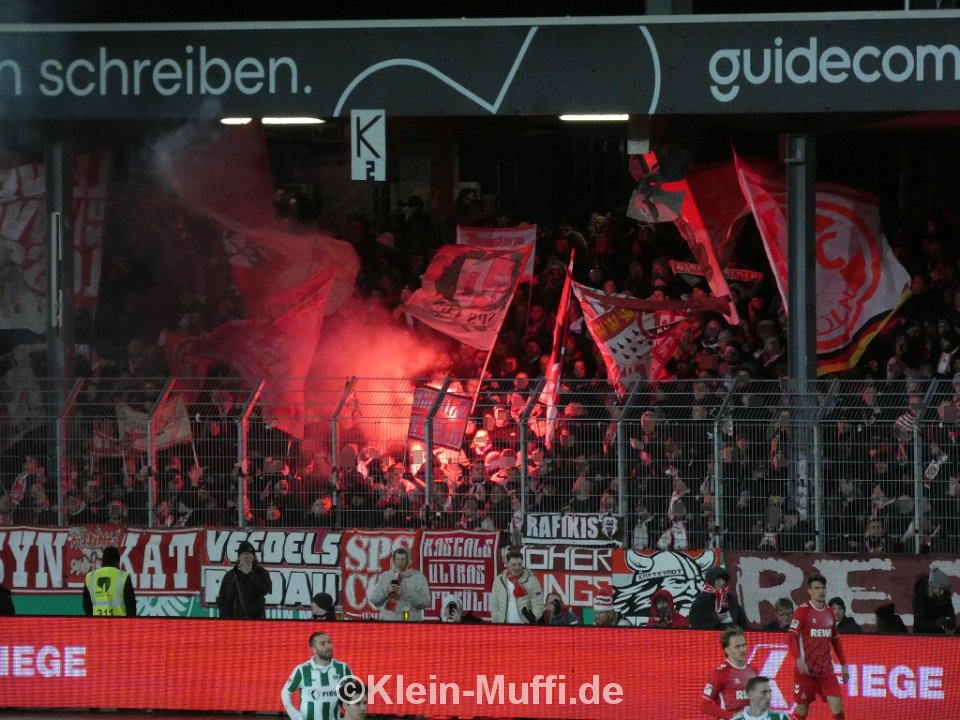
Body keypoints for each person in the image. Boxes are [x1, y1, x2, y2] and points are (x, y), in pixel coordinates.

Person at [787, 573, 848, 720]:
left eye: (823, 588)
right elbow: (791, 637)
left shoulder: (829, 613)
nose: (821, 591)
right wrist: (798, 660)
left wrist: (844, 664)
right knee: (802, 710)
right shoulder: (802, 611)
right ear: (810, 591)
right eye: (816, 588)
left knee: (838, 707)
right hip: (806, 672)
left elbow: (835, 639)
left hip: (826, 671)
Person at [281, 631, 353, 720]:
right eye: (322, 644)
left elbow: (353, 696)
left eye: (329, 642)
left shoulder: (343, 668)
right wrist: (296, 717)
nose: (328, 646)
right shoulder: (302, 670)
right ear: (313, 649)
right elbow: (285, 693)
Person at [700, 626, 757, 719]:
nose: (742, 650)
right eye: (737, 647)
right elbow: (705, 705)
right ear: (727, 650)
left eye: (744, 645)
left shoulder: (753, 671)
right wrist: (733, 716)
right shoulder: (719, 673)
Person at [368, 547, 431, 621]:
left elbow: (425, 602)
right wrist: (386, 591)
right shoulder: (385, 576)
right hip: (387, 623)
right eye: (397, 559)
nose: (400, 562)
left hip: (409, 622)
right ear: (394, 560)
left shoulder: (418, 577)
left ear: (408, 560)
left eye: (403, 559)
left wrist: (406, 592)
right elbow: (374, 600)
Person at [215, 540, 272, 619]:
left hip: (254, 623)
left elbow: (264, 590)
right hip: (233, 623)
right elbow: (222, 597)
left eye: (249, 555)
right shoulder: (230, 576)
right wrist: (225, 615)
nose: (247, 557)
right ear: (239, 557)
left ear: (254, 557)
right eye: (244, 554)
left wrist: (250, 574)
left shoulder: (262, 573)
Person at [490, 550, 544, 624]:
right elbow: (494, 603)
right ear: (507, 564)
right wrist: (496, 620)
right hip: (503, 625)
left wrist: (532, 619)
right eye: (514, 564)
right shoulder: (499, 580)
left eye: (519, 564)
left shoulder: (532, 580)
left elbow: (538, 604)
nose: (517, 567)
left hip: (524, 626)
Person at [82, 546, 135, 616]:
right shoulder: (123, 576)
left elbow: (86, 604)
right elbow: (131, 605)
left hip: (97, 624)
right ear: (118, 562)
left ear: (102, 561)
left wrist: (92, 619)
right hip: (119, 624)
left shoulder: (91, 577)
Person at [912, 568, 957, 634]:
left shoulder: (945, 594)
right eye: (939, 589)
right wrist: (937, 624)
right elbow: (919, 624)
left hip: (941, 636)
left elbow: (952, 618)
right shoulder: (919, 595)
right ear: (931, 588)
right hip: (922, 637)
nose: (942, 592)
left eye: (943, 589)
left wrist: (949, 623)